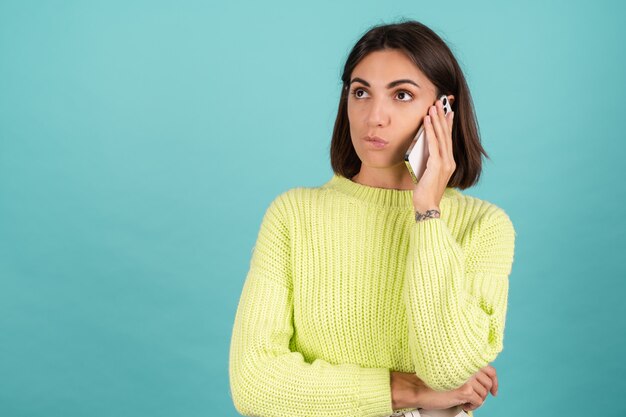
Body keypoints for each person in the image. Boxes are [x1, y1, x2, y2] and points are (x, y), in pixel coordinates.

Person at [229, 19, 516, 417]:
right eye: (361, 92)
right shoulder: (293, 215)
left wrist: (428, 211)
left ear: (444, 111)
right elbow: (254, 384)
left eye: (401, 95)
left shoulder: (483, 226)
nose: (374, 116)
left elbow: (448, 367)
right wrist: (403, 390)